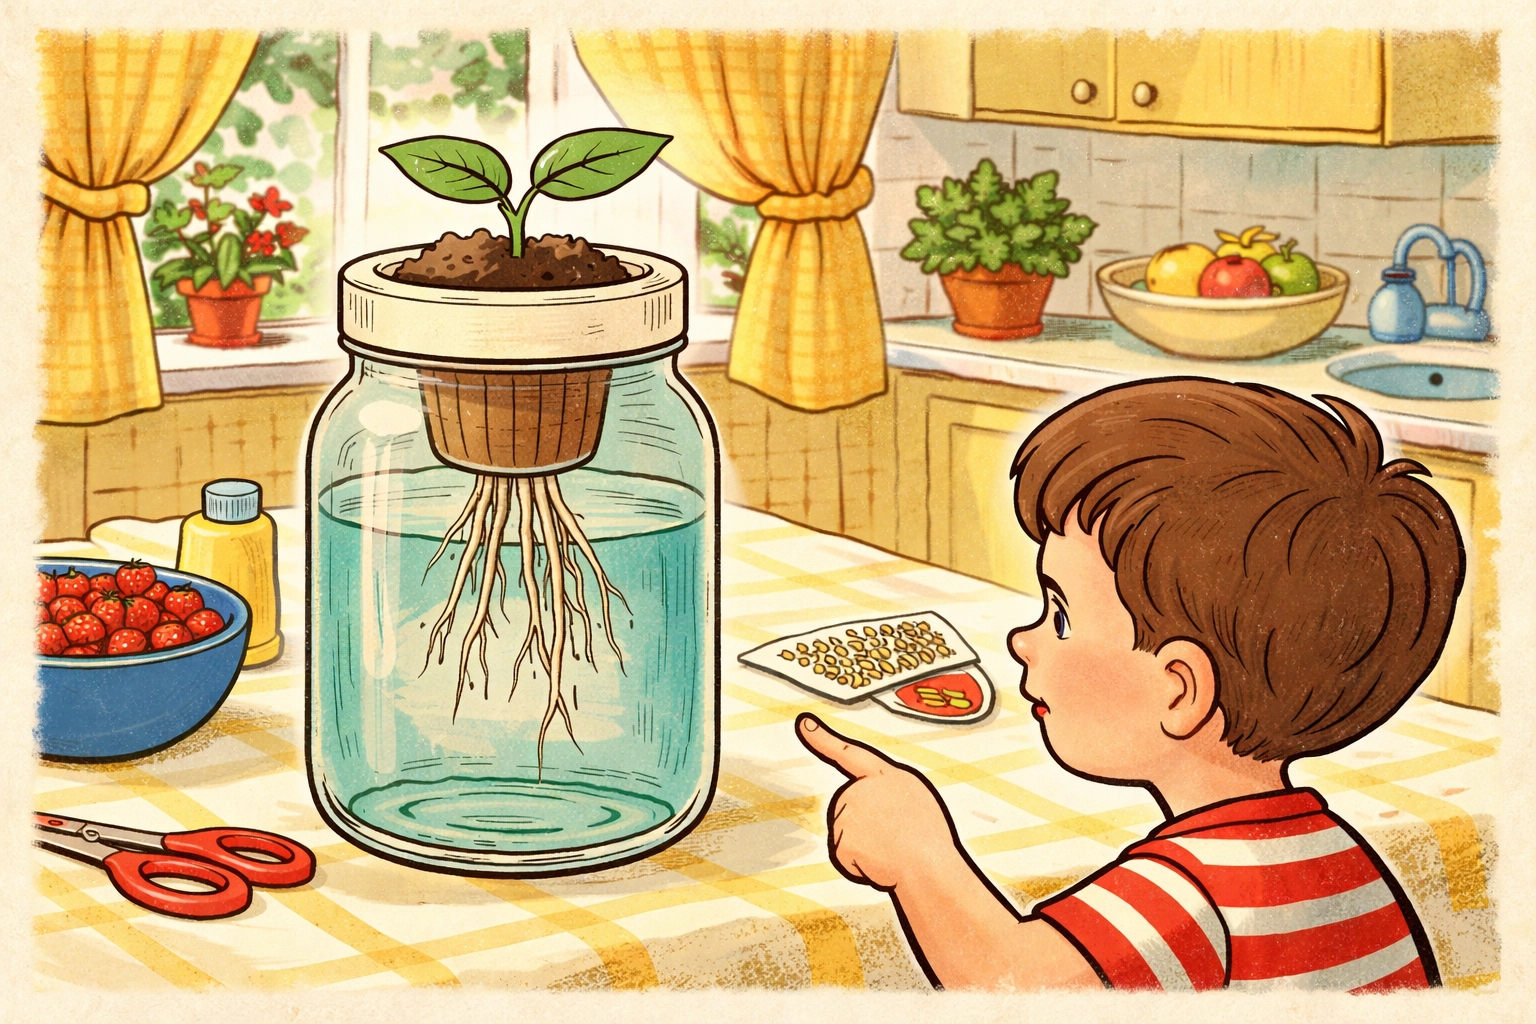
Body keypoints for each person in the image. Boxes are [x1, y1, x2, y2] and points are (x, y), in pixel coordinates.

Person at [796, 377, 1463, 992]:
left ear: (1179, 691)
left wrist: (918, 858)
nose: (1021, 641)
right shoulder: (1341, 860)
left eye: (1060, 616)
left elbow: (1012, 986)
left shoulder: (1189, 889)